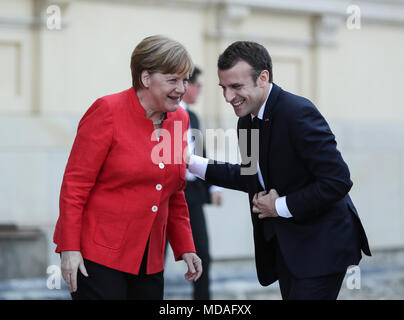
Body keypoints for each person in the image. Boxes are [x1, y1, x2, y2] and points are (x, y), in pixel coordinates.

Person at [187, 41, 371, 300]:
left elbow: (337, 181)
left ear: (263, 78)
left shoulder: (298, 112)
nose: (228, 97)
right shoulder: (245, 121)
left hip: (322, 244)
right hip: (289, 247)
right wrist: (190, 162)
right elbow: (250, 175)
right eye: (223, 88)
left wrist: (280, 206)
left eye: (236, 87)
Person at [53, 35, 202, 300]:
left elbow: (173, 191)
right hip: (97, 255)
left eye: (185, 79)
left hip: (150, 258)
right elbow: (75, 186)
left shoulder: (180, 118)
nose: (182, 88)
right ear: (146, 78)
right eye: (173, 80)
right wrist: (70, 248)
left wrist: (186, 246)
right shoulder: (107, 111)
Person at [180, 67, 223, 300]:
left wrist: (213, 185)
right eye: (199, 85)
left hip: (192, 193)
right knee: (155, 256)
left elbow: (200, 152)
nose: (200, 90)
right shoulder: (162, 114)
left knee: (202, 252)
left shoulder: (193, 116)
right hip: (166, 194)